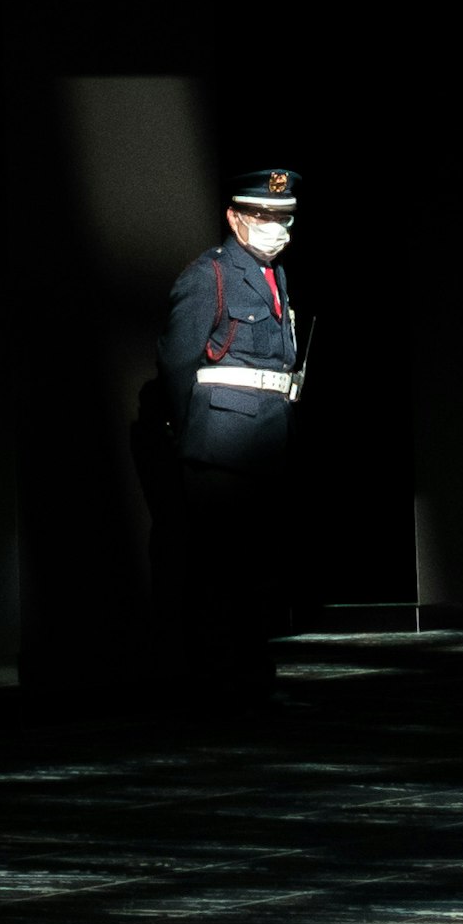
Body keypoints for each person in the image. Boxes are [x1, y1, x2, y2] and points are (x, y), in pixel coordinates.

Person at [159, 166, 302, 699]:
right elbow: (176, 363)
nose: (277, 227)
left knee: (258, 573)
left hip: (268, 443)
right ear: (236, 218)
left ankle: (252, 679)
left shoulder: (275, 276)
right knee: (221, 575)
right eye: (264, 215)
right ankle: (219, 684)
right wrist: (191, 432)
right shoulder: (209, 275)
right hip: (220, 447)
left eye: (284, 217)